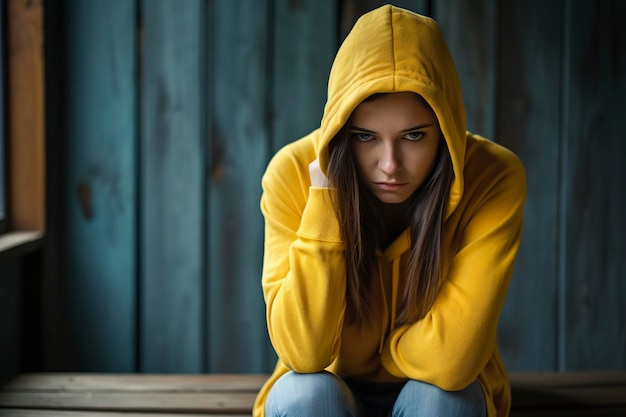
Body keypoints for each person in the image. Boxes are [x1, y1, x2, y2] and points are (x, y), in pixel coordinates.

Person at [253, 4, 525, 417]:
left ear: (446, 129)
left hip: (436, 389)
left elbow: (453, 360)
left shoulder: (492, 177)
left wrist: (380, 351)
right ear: (341, 130)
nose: (389, 164)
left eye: (413, 136)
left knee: (443, 401)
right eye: (365, 137)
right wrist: (326, 199)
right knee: (303, 396)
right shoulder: (292, 172)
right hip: (331, 388)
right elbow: (303, 353)